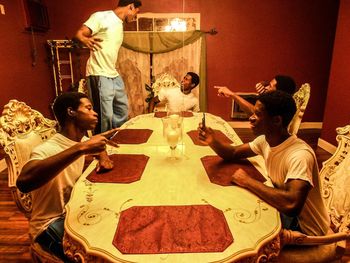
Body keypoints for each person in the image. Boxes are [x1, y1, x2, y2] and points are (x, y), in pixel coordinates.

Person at [198, 90, 330, 236]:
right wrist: (212, 140)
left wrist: (248, 181)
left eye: (258, 114)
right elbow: (233, 153)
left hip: (305, 228)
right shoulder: (265, 141)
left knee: (237, 226)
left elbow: (291, 204)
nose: (251, 118)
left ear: (277, 120)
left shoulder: (299, 155)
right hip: (286, 213)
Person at [16, 92, 119, 261]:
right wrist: (81, 149)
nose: (95, 113)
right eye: (88, 108)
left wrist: (101, 154)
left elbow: (101, 156)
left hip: (74, 214)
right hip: (48, 226)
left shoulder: (82, 140)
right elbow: (24, 182)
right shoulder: (49, 148)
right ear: (71, 112)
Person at [75, 0, 142, 134]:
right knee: (104, 117)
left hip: (113, 74)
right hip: (99, 73)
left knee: (122, 111)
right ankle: (101, 149)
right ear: (131, 6)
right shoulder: (101, 16)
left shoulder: (119, 24)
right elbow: (79, 34)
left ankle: (117, 140)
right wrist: (84, 39)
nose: (136, 16)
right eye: (136, 12)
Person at [215, 75, 296, 116]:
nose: (267, 87)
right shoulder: (277, 102)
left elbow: (256, 112)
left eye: (270, 86)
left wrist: (232, 94)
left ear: (279, 92)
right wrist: (231, 94)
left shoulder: (278, 108)